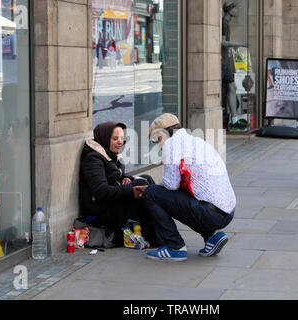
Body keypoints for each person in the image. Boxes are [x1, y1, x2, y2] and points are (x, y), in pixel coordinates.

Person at [142, 114, 236, 262]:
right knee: (183, 196)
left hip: (210, 213)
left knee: (150, 193)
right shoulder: (195, 141)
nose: (157, 145)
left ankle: (175, 247)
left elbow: (171, 185)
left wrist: (154, 187)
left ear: (161, 134)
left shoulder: (171, 145)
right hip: (227, 212)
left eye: (155, 140)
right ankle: (212, 237)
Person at [78, 122, 159, 246]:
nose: (120, 142)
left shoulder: (111, 154)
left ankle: (160, 232)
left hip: (111, 202)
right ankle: (155, 237)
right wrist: (130, 190)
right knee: (141, 188)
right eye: (115, 139)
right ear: (105, 138)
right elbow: (101, 192)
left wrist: (126, 179)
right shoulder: (93, 159)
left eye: (122, 139)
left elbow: (116, 175)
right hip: (99, 212)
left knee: (146, 179)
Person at [222, 1, 248, 130]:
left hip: (225, 61)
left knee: (231, 87)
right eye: (235, 8)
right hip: (221, 61)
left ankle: (234, 119)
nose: (237, 11)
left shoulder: (227, 23)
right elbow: (222, 42)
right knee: (228, 88)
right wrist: (240, 44)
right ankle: (231, 119)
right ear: (229, 10)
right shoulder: (223, 23)